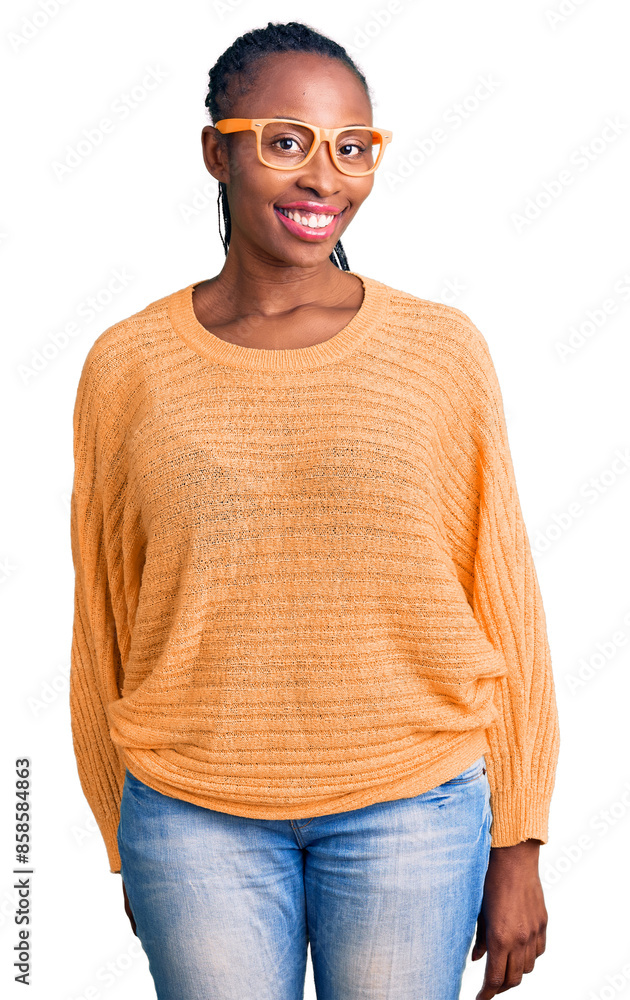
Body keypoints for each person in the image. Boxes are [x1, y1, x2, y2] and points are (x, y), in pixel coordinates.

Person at [69, 19, 560, 1000]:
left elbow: (499, 587)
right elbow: (104, 603)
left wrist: (521, 839)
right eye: (285, 141)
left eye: (353, 148)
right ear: (218, 151)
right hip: (191, 813)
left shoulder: (438, 349)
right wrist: (120, 823)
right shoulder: (129, 364)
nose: (323, 179)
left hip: (413, 804)